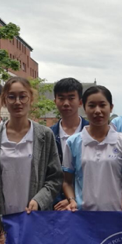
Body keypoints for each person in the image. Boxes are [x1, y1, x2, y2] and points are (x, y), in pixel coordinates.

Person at [0, 77, 62, 215]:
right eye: (11, 97)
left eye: (23, 97)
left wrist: (39, 200)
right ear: (4, 100)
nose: (17, 102)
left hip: (34, 217)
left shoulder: (44, 135)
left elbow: (55, 178)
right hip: (1, 218)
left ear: (31, 99)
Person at [63, 85, 122, 212]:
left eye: (102, 105)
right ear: (84, 108)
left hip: (116, 214)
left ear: (111, 107)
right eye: (91, 106)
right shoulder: (73, 142)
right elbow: (67, 181)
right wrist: (72, 201)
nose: (97, 111)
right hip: (83, 216)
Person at [51, 78, 88, 210]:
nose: (66, 103)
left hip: (85, 204)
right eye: (61, 98)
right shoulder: (48, 135)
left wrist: (72, 199)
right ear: (55, 101)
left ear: (80, 102)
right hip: (55, 206)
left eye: (71, 98)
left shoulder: (91, 132)